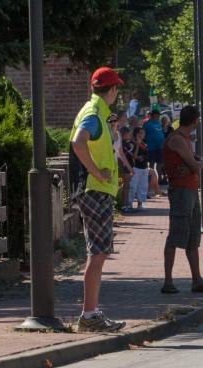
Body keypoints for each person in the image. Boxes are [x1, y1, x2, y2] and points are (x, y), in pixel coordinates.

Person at [69, 66, 126, 331]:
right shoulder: (93, 113)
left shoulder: (96, 113)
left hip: (95, 190)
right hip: (94, 190)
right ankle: (89, 316)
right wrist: (97, 173)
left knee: (99, 252)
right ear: (112, 89)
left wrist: (111, 132)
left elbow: (92, 144)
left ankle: (91, 313)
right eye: (117, 89)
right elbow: (78, 142)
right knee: (98, 253)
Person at [161, 105, 203, 295]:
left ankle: (197, 281)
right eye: (198, 120)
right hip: (181, 191)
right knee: (175, 235)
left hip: (190, 190)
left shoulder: (184, 138)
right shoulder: (177, 139)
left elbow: (193, 163)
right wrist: (197, 164)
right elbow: (195, 165)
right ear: (194, 121)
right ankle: (168, 282)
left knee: (193, 237)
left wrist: (194, 163)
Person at [127, 126, 150, 211]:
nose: (143, 134)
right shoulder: (132, 143)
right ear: (136, 134)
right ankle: (129, 204)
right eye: (141, 133)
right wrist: (137, 145)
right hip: (136, 167)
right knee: (133, 186)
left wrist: (144, 157)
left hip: (144, 167)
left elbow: (147, 154)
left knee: (143, 186)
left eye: (143, 133)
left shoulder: (144, 143)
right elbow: (134, 156)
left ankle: (140, 204)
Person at [143, 109, 165, 191]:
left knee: (161, 162)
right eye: (157, 115)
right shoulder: (147, 124)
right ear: (154, 115)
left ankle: (158, 179)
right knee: (151, 164)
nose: (159, 116)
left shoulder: (158, 123)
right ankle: (151, 181)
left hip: (160, 147)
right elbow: (143, 134)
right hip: (151, 147)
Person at [118, 126, 135, 212]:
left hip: (129, 166)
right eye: (129, 134)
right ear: (124, 134)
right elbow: (121, 156)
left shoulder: (128, 143)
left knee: (127, 186)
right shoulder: (122, 143)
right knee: (124, 186)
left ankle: (126, 204)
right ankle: (123, 205)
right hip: (124, 167)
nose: (130, 135)